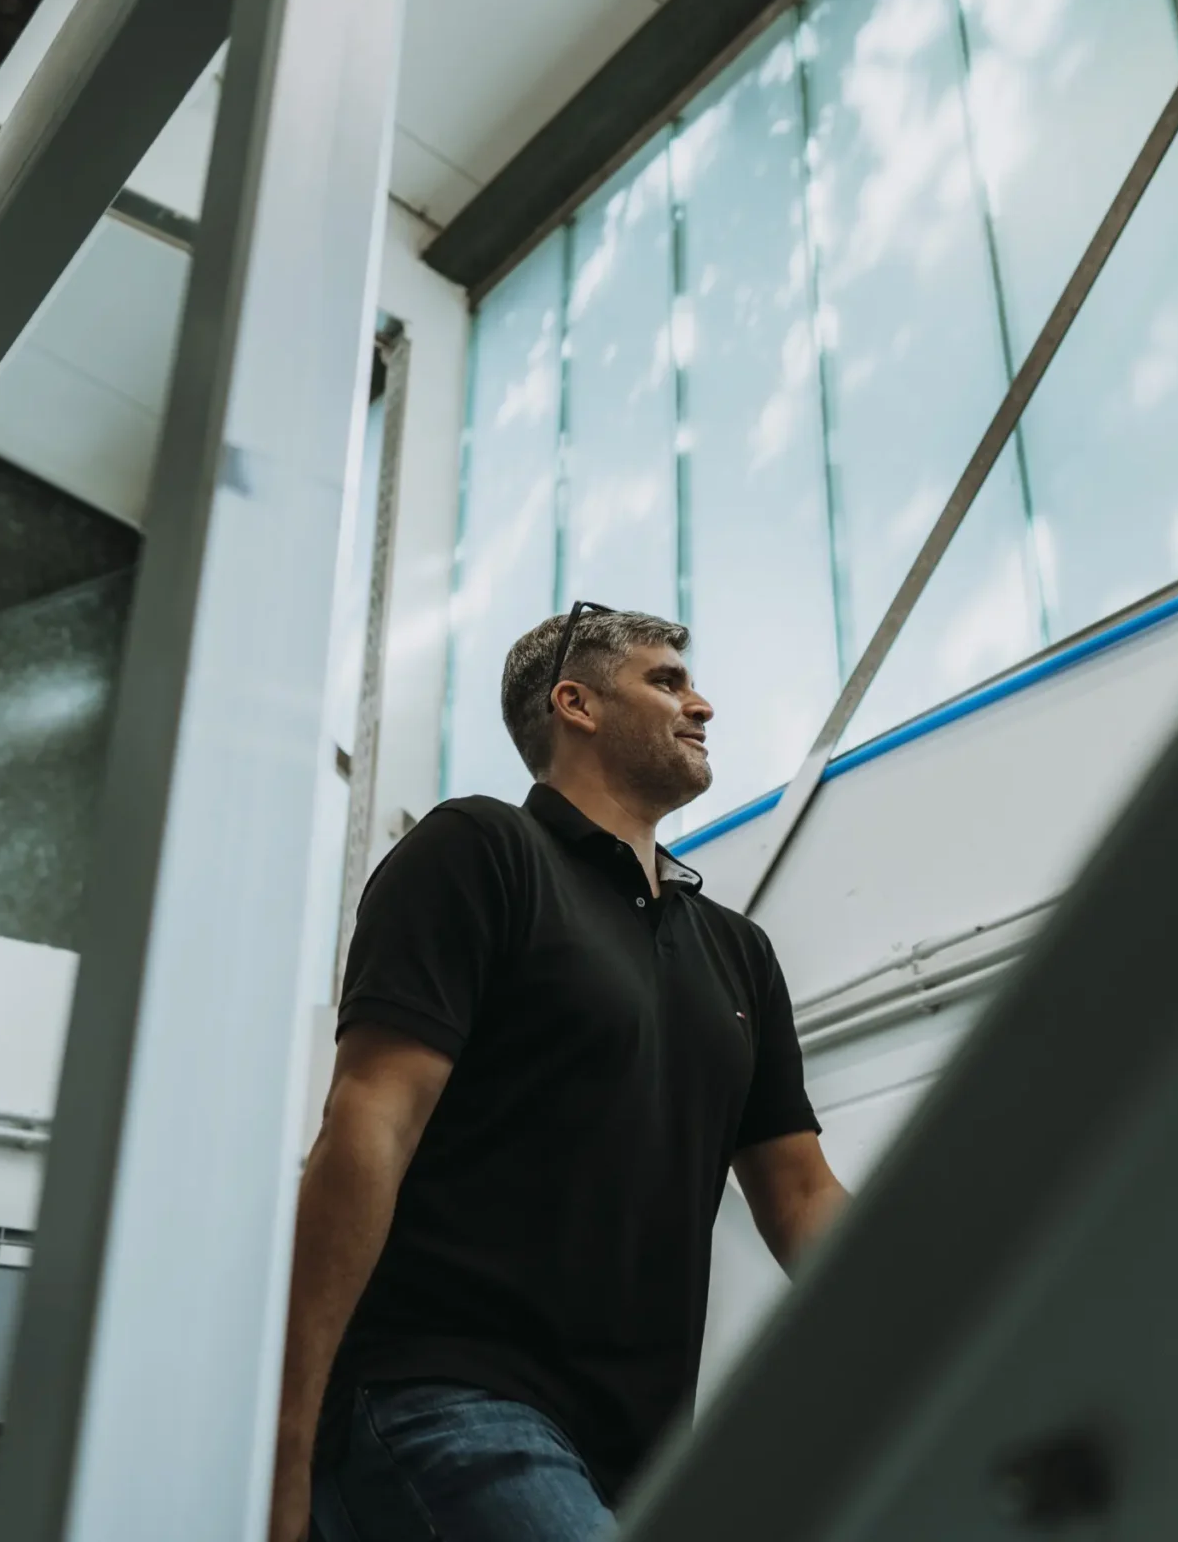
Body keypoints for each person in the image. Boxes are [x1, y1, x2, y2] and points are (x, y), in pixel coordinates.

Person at [271, 605, 849, 1542]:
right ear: (573, 703)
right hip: (444, 1394)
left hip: (643, 1454)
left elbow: (802, 1195)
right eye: (667, 680)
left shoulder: (739, 953)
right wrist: (285, 1443)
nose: (701, 705)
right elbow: (367, 1124)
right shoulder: (480, 851)